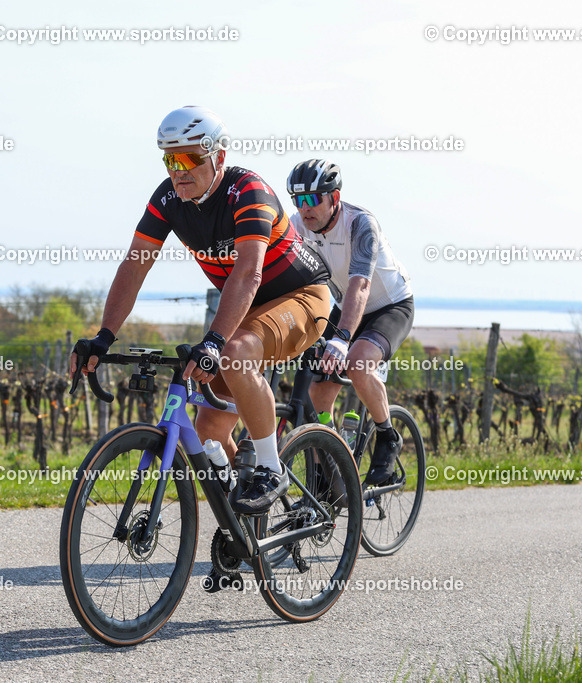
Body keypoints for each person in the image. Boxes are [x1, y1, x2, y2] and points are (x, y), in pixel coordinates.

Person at [71, 106, 330, 514]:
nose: (179, 170)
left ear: (219, 157)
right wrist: (104, 336)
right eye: (170, 159)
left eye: (190, 158)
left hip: (302, 297)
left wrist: (213, 341)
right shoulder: (168, 199)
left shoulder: (249, 191)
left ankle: (270, 467)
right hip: (248, 308)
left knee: (235, 351)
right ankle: (242, 520)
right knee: (209, 429)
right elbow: (135, 264)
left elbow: (248, 273)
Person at [287, 159, 414, 486]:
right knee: (318, 386)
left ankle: (387, 436)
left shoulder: (360, 223)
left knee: (357, 363)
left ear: (335, 198)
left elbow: (361, 285)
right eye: (297, 200)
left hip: (389, 306)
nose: (305, 209)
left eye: (313, 199)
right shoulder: (297, 226)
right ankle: (325, 461)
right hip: (344, 307)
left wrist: (342, 339)